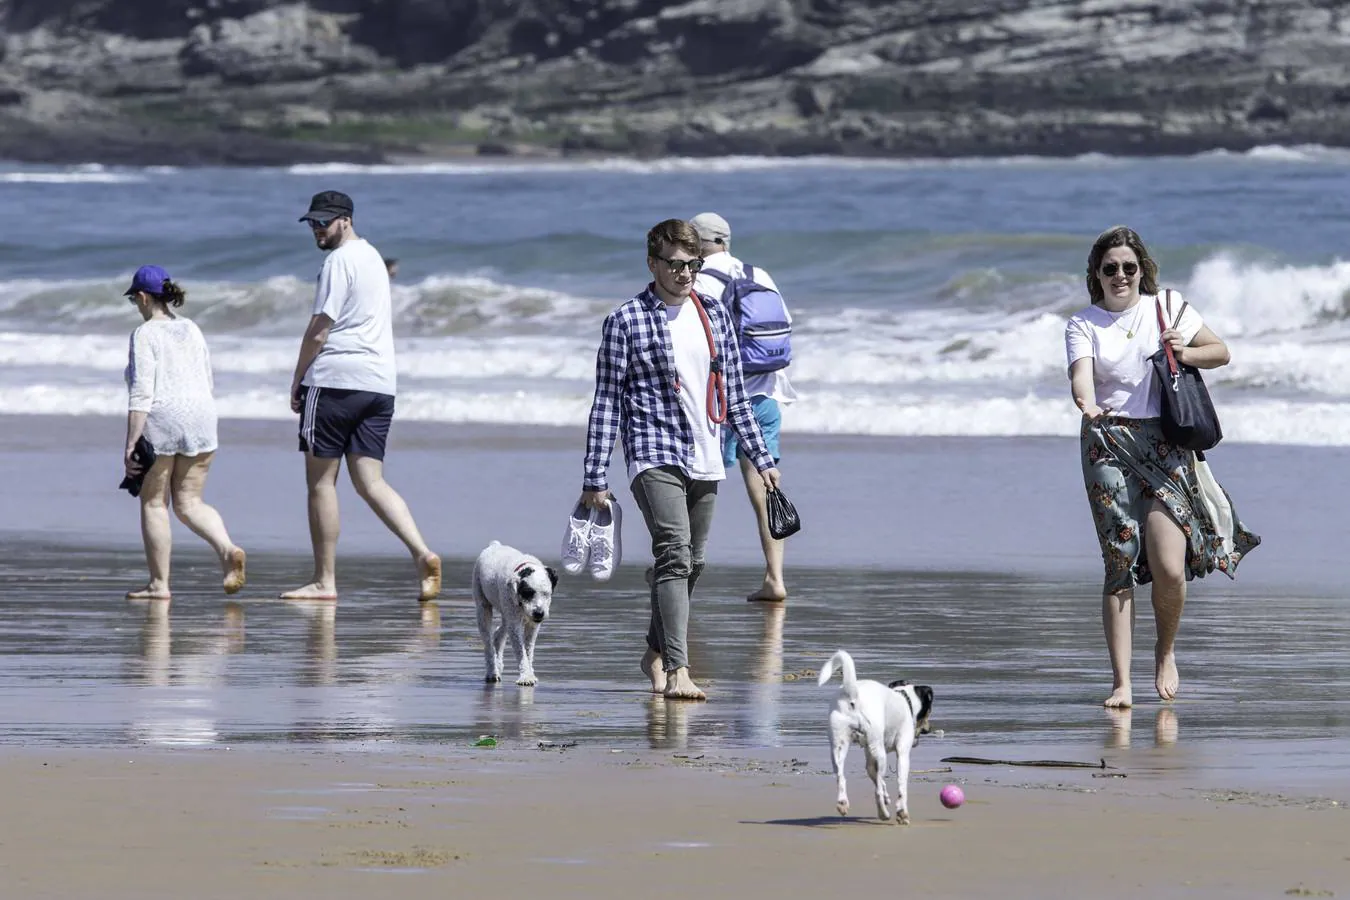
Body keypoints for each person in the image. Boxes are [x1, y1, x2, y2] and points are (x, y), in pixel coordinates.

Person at [579, 219, 782, 701]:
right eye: (675, 265)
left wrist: (761, 455)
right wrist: (595, 474)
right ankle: (677, 669)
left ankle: (653, 650)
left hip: (705, 452)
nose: (686, 273)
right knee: (673, 552)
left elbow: (734, 396)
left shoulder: (713, 314)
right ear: (653, 263)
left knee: (694, 561)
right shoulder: (625, 320)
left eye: (693, 264)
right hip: (652, 452)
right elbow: (606, 401)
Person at [1066, 225, 1259, 708]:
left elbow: (1221, 352)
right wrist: (1088, 407)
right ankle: (1121, 683)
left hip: (1166, 443)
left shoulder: (1167, 306)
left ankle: (1165, 651)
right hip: (1107, 442)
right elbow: (1081, 380)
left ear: (1142, 270)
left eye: (1128, 267)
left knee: (1170, 567)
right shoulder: (1082, 323)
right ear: (1097, 274)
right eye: (1110, 268)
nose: (1120, 276)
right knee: (1120, 563)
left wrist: (1184, 350)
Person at [285, 191, 441, 602]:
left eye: (325, 221)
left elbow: (320, 328)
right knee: (371, 481)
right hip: (379, 385)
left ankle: (325, 581)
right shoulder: (372, 257)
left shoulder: (337, 262)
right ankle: (422, 552)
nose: (318, 228)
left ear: (346, 220)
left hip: (336, 380)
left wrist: (298, 378)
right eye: (313, 222)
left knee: (321, 484)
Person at [690, 212, 798, 603]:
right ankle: (775, 577)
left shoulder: (701, 280)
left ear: (697, 243)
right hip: (767, 394)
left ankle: (684, 570)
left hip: (718, 401)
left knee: (698, 484)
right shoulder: (760, 274)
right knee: (765, 485)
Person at [122, 265, 246, 600]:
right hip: (202, 417)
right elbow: (208, 378)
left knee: (154, 504)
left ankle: (159, 585)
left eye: (135, 299)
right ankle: (226, 548)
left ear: (144, 297)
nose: (136, 304)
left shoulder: (144, 334)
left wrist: (132, 441)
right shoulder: (192, 328)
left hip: (162, 420)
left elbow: (141, 391)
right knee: (190, 502)